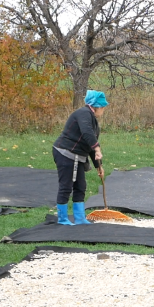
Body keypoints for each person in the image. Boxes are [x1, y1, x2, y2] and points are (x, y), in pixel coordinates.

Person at [52, 90, 107, 225]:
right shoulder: (83, 113)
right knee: (66, 186)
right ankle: (63, 219)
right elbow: (87, 133)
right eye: (103, 107)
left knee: (80, 186)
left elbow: (89, 144)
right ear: (96, 106)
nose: (104, 110)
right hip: (65, 152)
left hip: (78, 156)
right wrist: (98, 148)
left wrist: (98, 166)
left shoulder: (92, 120)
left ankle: (80, 218)